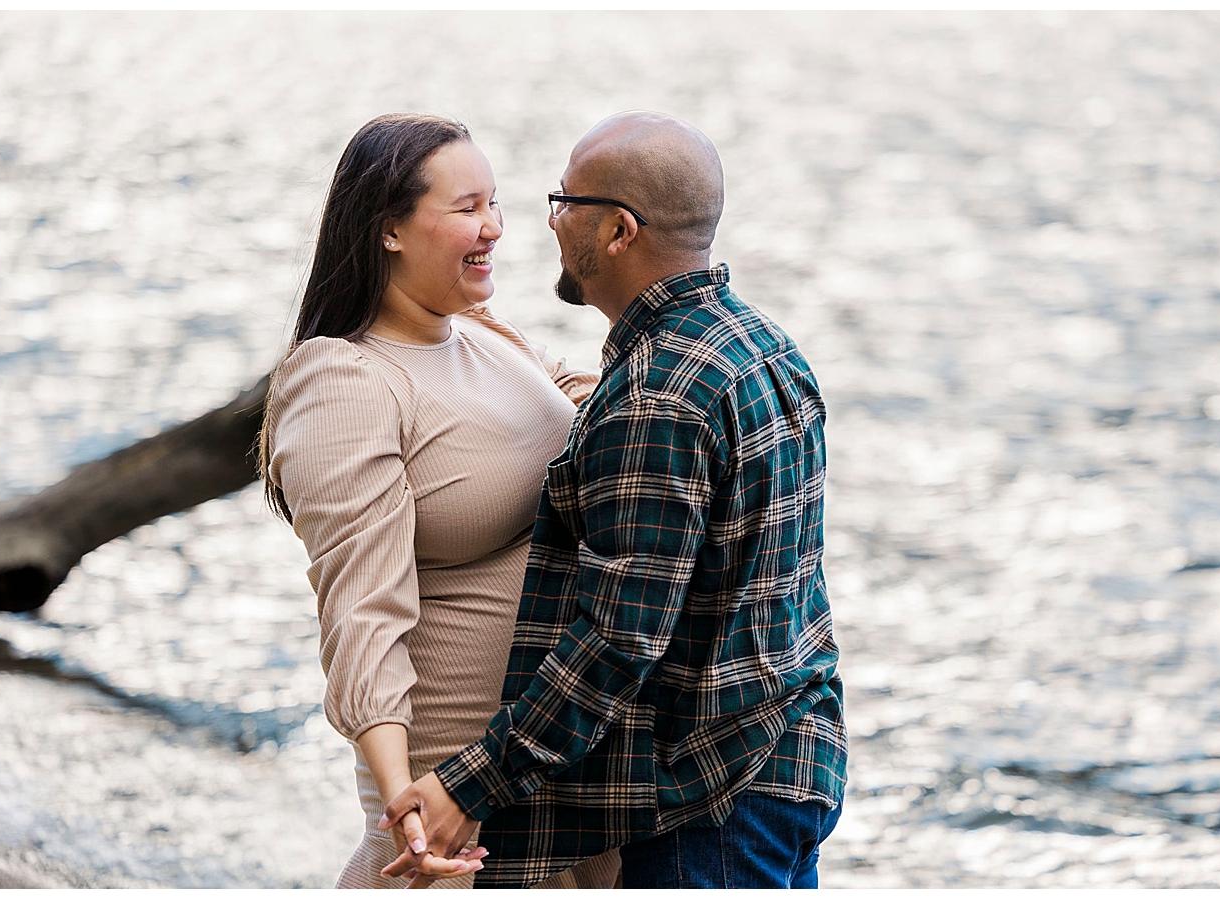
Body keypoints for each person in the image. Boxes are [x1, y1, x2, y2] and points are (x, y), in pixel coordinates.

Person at [376, 111, 848, 889]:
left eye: (564, 201)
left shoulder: (659, 394)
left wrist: (472, 781)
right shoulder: (763, 346)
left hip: (712, 807)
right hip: (791, 767)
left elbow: (619, 638)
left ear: (620, 230)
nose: (550, 222)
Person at [258, 113, 619, 889]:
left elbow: (600, 404)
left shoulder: (484, 332)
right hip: (454, 810)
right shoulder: (346, 380)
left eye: (496, 205)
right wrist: (402, 805)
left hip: (561, 784)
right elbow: (362, 610)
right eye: (466, 209)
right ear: (389, 228)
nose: (492, 228)